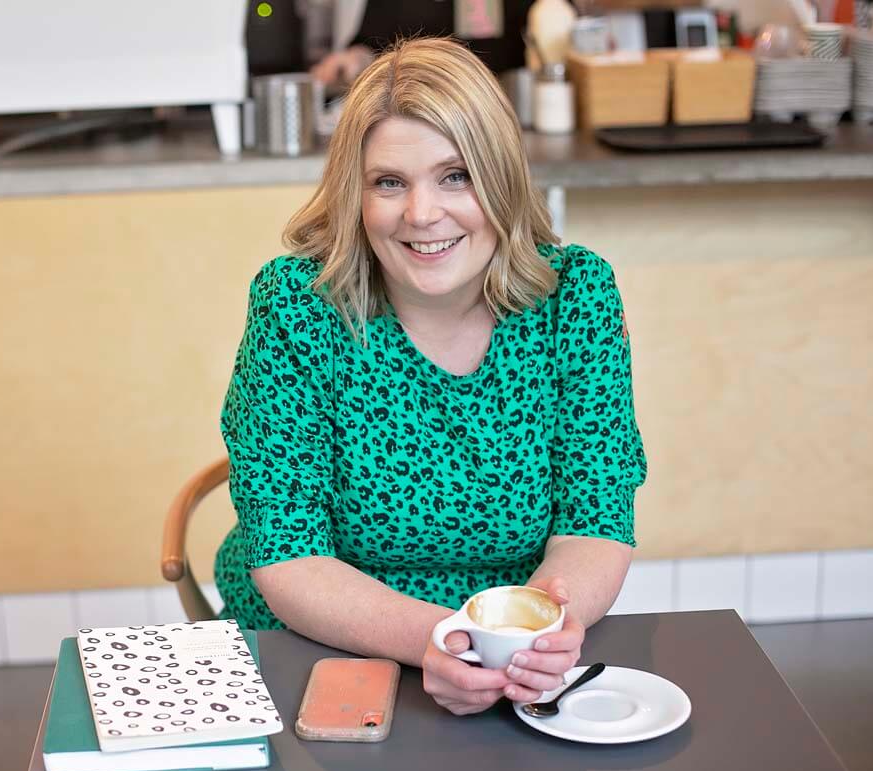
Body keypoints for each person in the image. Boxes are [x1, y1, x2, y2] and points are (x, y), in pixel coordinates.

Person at [214, 37, 647, 715]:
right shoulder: (296, 309)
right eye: (390, 182)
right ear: (354, 193)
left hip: (513, 653)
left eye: (455, 176)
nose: (421, 214)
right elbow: (288, 553)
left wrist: (532, 639)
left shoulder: (577, 298)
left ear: (500, 177)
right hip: (318, 648)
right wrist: (443, 638)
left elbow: (594, 525)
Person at [311, 0, 537, 89]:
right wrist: (352, 59)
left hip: (496, 110)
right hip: (416, 110)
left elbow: (554, 23)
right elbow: (370, 45)